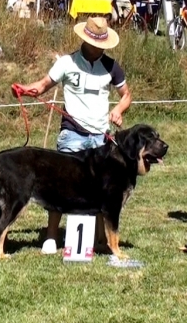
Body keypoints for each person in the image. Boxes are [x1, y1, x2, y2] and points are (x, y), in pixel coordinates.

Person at [13, 17, 132, 254]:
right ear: (85, 40)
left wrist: (118, 109)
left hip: (100, 138)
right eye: (96, 42)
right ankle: (51, 236)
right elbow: (44, 84)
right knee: (61, 185)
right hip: (72, 133)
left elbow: (126, 94)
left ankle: (100, 240)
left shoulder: (111, 66)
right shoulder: (67, 62)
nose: (99, 47)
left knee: (101, 190)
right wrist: (26, 90)